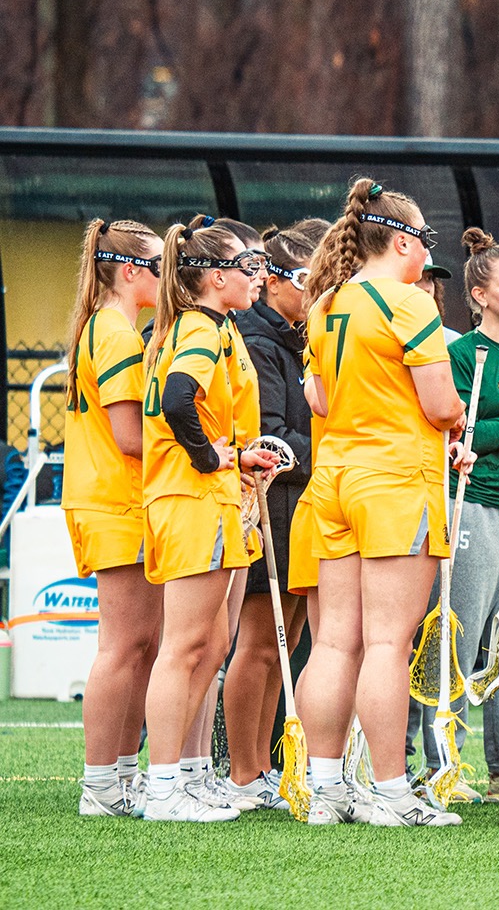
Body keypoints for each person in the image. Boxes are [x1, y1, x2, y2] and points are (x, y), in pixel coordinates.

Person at [298, 179, 469, 828]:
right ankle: (392, 792)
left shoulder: (326, 302)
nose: (427, 250)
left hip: (335, 478)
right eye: (423, 238)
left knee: (334, 642)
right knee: (387, 644)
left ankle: (325, 789)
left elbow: (319, 398)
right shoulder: (408, 302)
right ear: (400, 241)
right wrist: (455, 418)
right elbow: (441, 404)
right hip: (395, 480)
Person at [139, 217, 279, 821]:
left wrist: (237, 456)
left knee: (214, 641)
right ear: (216, 277)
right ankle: (163, 785)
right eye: (249, 267)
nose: (259, 277)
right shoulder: (200, 327)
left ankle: (188, 777)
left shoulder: (217, 327)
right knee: (184, 646)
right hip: (192, 498)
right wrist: (208, 456)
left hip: (214, 497)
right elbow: (178, 399)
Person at [222, 218, 328, 810]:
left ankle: (261, 766)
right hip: (272, 509)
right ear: (275, 280)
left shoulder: (296, 338)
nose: (316, 293)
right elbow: (271, 437)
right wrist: (335, 450)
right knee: (260, 644)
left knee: (284, 646)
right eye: (307, 280)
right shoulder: (258, 342)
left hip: (299, 509)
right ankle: (243, 770)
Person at [420, 227, 499, 802]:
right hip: (476, 500)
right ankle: (441, 762)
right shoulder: (462, 353)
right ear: (480, 295)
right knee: (458, 635)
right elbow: (457, 429)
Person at [64, 219, 164, 818]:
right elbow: (129, 437)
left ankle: (122, 774)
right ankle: (100, 783)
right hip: (114, 501)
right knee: (124, 647)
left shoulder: (110, 327)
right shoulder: (116, 332)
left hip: (120, 499)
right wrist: (205, 454)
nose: (168, 276)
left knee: (143, 646)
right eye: (159, 266)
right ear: (130, 271)